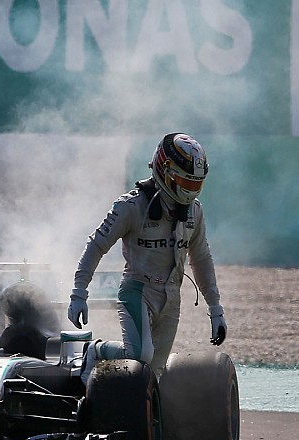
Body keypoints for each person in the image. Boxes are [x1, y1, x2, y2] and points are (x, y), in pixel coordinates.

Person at [67, 133, 227, 383]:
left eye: (195, 185)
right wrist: (79, 292)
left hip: (172, 296)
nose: (189, 191)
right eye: (185, 182)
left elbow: (202, 259)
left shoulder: (195, 212)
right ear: (165, 170)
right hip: (137, 290)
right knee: (140, 356)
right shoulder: (130, 207)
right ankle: (97, 351)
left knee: (155, 371)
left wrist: (216, 309)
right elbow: (97, 244)